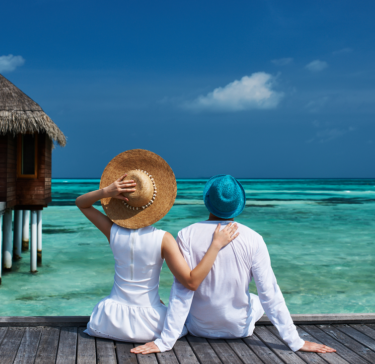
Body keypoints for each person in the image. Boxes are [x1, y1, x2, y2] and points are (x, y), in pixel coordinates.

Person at [131, 175, 336, 355]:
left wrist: (166, 341)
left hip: (198, 327)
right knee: (257, 298)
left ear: (208, 201)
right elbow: (270, 294)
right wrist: (295, 341)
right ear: (239, 203)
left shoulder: (187, 234)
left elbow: (182, 290)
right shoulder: (253, 238)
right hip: (239, 330)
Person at [76, 150, 239, 343]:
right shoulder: (163, 239)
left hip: (108, 321)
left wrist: (105, 192)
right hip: (149, 326)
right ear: (155, 202)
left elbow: (82, 203)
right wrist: (216, 245)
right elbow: (191, 282)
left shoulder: (113, 232)